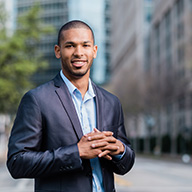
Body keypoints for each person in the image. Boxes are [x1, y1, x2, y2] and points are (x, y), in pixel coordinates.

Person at [7, 20, 135, 192]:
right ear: (58, 51)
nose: (79, 52)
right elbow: (17, 162)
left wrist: (120, 150)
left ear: (94, 51)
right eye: (70, 46)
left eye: (85, 45)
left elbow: (125, 164)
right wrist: (76, 152)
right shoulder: (36, 100)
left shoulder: (111, 102)